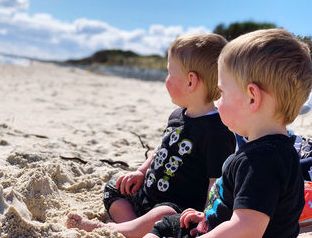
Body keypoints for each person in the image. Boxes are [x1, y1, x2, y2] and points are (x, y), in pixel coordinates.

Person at [146, 28, 312, 238]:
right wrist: (206, 216)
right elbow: (242, 205)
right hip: (216, 227)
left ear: (252, 97)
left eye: (223, 92)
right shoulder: (270, 151)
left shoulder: (262, 162)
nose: (217, 101)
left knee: (162, 229)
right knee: (168, 223)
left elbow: (246, 228)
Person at [66, 33, 236, 237]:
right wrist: (140, 172)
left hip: (176, 206)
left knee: (163, 214)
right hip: (147, 193)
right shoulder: (178, 115)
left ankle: (111, 230)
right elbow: (161, 149)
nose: (166, 80)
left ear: (191, 81)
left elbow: (215, 180)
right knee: (114, 187)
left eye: (170, 73)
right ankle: (134, 227)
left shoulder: (217, 129)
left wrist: (206, 215)